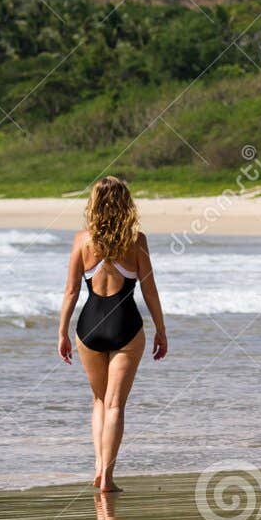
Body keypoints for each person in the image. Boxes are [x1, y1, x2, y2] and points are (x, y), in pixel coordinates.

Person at [58, 176, 168, 492]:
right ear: (126, 204)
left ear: (94, 204)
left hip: (88, 326)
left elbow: (70, 291)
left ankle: (97, 466)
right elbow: (149, 290)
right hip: (126, 325)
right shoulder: (137, 241)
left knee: (98, 400)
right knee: (115, 404)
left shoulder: (82, 240)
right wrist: (161, 329)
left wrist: (62, 331)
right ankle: (107, 475)